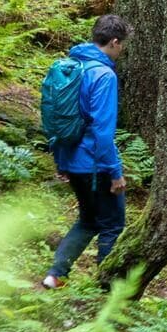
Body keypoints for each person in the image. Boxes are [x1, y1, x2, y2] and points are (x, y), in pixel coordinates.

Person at [42, 14, 130, 289]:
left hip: (71, 158)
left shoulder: (71, 66)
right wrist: (115, 173)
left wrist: (61, 161)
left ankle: (55, 275)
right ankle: (107, 288)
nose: (123, 51)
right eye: (123, 45)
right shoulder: (104, 75)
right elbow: (103, 131)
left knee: (88, 220)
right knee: (112, 224)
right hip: (96, 164)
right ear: (114, 42)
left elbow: (54, 117)